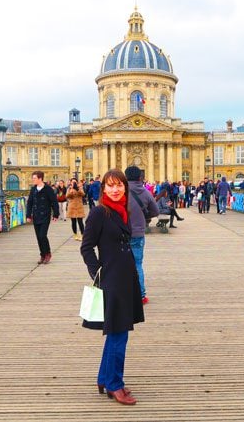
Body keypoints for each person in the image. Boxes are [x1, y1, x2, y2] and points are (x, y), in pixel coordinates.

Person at [80, 169, 144, 405]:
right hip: (112, 280)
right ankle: (114, 384)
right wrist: (98, 271)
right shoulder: (99, 213)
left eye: (119, 185)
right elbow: (86, 247)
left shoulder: (122, 211)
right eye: (111, 185)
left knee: (118, 333)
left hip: (126, 278)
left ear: (125, 187)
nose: (115, 189)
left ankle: (105, 377)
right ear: (103, 189)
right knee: (118, 335)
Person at [125, 165, 159, 305]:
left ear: (125, 177)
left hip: (122, 233)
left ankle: (123, 294)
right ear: (141, 177)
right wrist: (143, 218)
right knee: (137, 264)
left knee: (121, 264)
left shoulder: (121, 192)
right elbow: (155, 212)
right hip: (138, 233)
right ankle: (141, 295)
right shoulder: (145, 192)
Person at [26, 171, 59, 264]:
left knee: (42, 235)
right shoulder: (33, 189)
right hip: (36, 216)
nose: (33, 180)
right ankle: (42, 255)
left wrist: (56, 214)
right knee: (38, 237)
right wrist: (28, 215)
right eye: (32, 178)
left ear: (40, 179)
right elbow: (29, 203)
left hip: (45, 215)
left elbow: (54, 202)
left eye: (34, 178)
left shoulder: (48, 189)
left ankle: (48, 253)